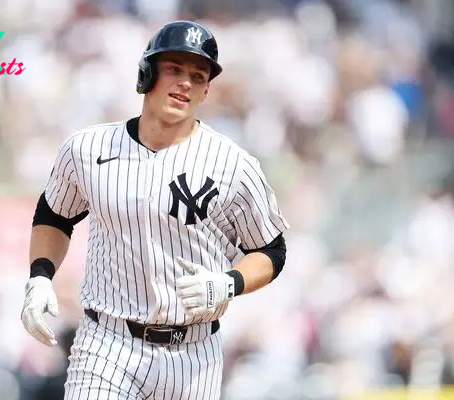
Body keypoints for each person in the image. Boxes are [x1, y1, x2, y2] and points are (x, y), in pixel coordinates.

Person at [21, 20, 290, 400]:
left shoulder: (233, 165)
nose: (185, 83)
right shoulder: (88, 148)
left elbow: (272, 250)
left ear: (206, 90)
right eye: (175, 69)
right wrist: (40, 276)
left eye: (197, 76)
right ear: (147, 73)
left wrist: (229, 282)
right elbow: (54, 215)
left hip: (194, 353)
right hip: (107, 342)